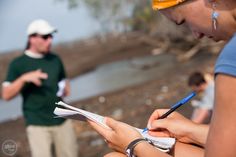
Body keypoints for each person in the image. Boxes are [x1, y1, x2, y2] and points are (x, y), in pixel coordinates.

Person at [88, 0, 236, 157]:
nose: (196, 34)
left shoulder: (231, 56)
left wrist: (135, 145)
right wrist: (190, 131)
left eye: (183, 21)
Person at [1, 19, 78, 157]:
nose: (49, 41)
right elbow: (6, 95)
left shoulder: (55, 59)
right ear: (32, 38)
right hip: (37, 124)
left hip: (62, 119)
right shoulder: (18, 64)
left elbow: (64, 83)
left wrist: (65, 88)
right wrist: (24, 78)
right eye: (45, 37)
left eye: (51, 36)